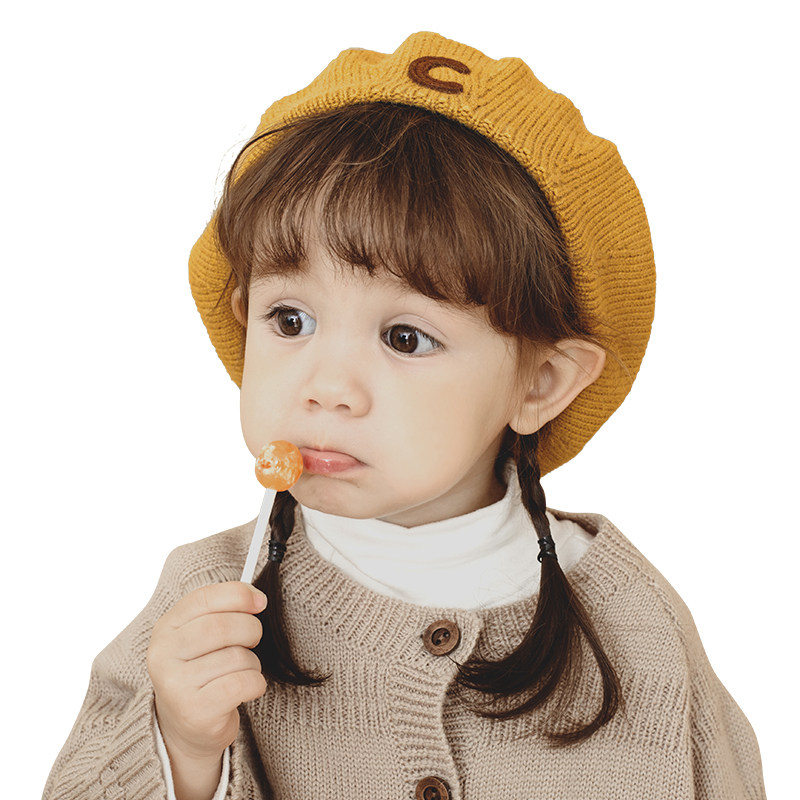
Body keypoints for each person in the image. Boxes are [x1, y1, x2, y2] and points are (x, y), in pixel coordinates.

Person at [43, 31, 766, 800]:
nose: (327, 387)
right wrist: (184, 749)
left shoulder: (636, 625)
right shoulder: (206, 598)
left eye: (405, 337)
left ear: (541, 383)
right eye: (289, 320)